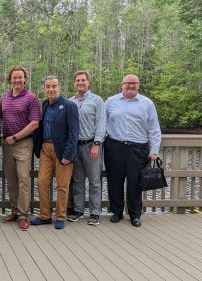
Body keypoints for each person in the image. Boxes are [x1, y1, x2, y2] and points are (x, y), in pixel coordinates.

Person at [105, 74, 161, 227]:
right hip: (114, 146)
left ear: (138, 85)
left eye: (133, 83)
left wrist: (154, 149)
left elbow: (154, 128)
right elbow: (101, 124)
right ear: (122, 84)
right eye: (127, 83)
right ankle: (117, 212)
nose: (130, 86)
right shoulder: (110, 102)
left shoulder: (147, 103)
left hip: (138, 148)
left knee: (135, 183)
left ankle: (135, 215)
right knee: (114, 181)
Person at [32, 76, 79, 230]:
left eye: (54, 86)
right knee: (42, 182)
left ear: (59, 87)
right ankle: (45, 216)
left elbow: (74, 133)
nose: (51, 89)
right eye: (48, 86)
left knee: (62, 186)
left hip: (62, 151)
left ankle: (60, 216)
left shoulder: (69, 106)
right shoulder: (45, 104)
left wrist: (68, 155)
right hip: (45, 148)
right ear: (44, 88)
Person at [0, 66, 41, 230]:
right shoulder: (4, 97)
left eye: (20, 77)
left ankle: (24, 215)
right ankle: (15, 211)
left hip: (23, 143)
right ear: (10, 80)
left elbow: (34, 123)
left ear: (25, 79)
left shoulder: (31, 98)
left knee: (23, 179)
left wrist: (16, 137)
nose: (17, 80)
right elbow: (0, 119)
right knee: (11, 180)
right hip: (6, 144)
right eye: (14, 77)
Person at [68, 71, 105, 225]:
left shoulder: (97, 100)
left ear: (88, 82)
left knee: (95, 180)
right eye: (78, 80)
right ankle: (78, 210)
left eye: (83, 80)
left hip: (91, 145)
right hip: (75, 146)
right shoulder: (70, 101)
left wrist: (97, 143)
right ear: (74, 83)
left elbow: (101, 123)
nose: (80, 83)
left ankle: (95, 212)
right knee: (77, 180)